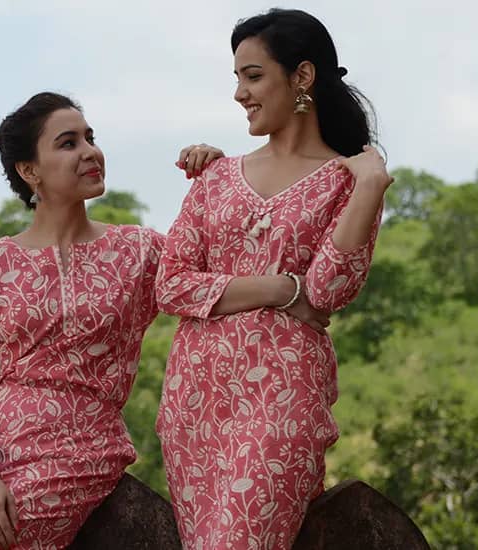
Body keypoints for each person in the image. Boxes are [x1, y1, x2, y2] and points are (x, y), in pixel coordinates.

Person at [0, 92, 219, 549]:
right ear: (29, 170)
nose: (90, 152)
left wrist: (215, 180)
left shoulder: (140, 253)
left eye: (90, 138)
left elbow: (215, 268)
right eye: (68, 142)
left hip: (77, 449)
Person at [155, 9, 393, 549]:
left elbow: (330, 290)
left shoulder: (349, 180)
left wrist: (370, 186)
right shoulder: (215, 176)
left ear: (302, 77)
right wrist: (284, 289)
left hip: (282, 402)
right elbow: (172, 284)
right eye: (237, 78)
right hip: (195, 403)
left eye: (253, 75)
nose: (240, 92)